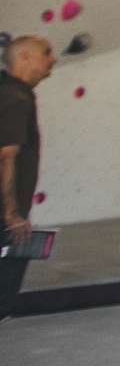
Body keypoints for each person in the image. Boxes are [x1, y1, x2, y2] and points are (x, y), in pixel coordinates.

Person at [1, 35, 56, 321]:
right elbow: (5, 156)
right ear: (23, 57)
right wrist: (12, 213)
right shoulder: (16, 99)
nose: (53, 59)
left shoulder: (10, 93)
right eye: (46, 53)